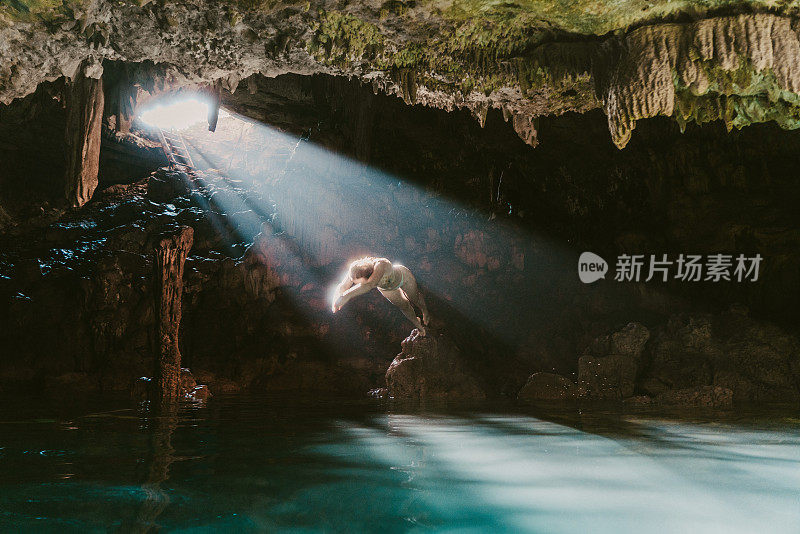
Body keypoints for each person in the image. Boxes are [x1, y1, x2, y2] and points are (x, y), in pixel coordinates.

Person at [332, 256, 430, 336]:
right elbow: (343, 286)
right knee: (404, 306)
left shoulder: (381, 264)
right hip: (387, 289)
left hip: (403, 278)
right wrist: (337, 298)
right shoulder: (354, 270)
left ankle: (425, 311)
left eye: (360, 284)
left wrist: (346, 296)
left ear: (369, 276)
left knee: (415, 298)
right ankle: (418, 325)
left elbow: (369, 285)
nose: (357, 285)